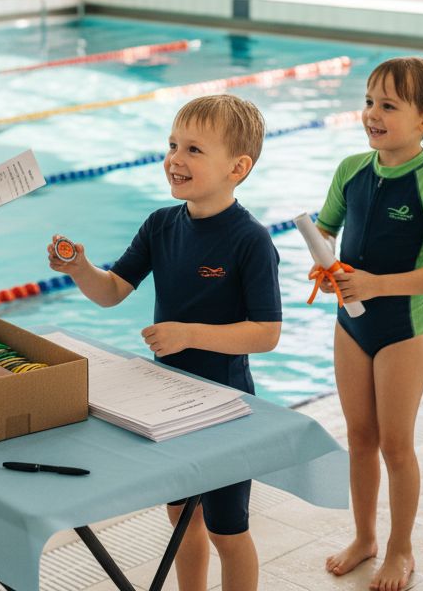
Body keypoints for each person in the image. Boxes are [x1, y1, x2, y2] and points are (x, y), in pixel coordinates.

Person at [47, 93, 281, 591]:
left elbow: (266, 333)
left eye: (194, 149)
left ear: (237, 168)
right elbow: (112, 291)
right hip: (168, 404)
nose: (175, 158)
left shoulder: (251, 239)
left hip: (224, 407)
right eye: (173, 144)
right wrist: (80, 269)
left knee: (227, 529)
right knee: (180, 521)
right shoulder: (160, 225)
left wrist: (188, 334)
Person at [311, 58, 423, 591]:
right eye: (369, 102)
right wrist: (326, 268)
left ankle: (401, 549)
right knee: (359, 438)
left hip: (402, 329)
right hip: (350, 326)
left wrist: (376, 285)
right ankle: (364, 537)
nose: (372, 114)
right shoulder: (351, 169)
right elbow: (326, 232)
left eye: (388, 106)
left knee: (396, 445)